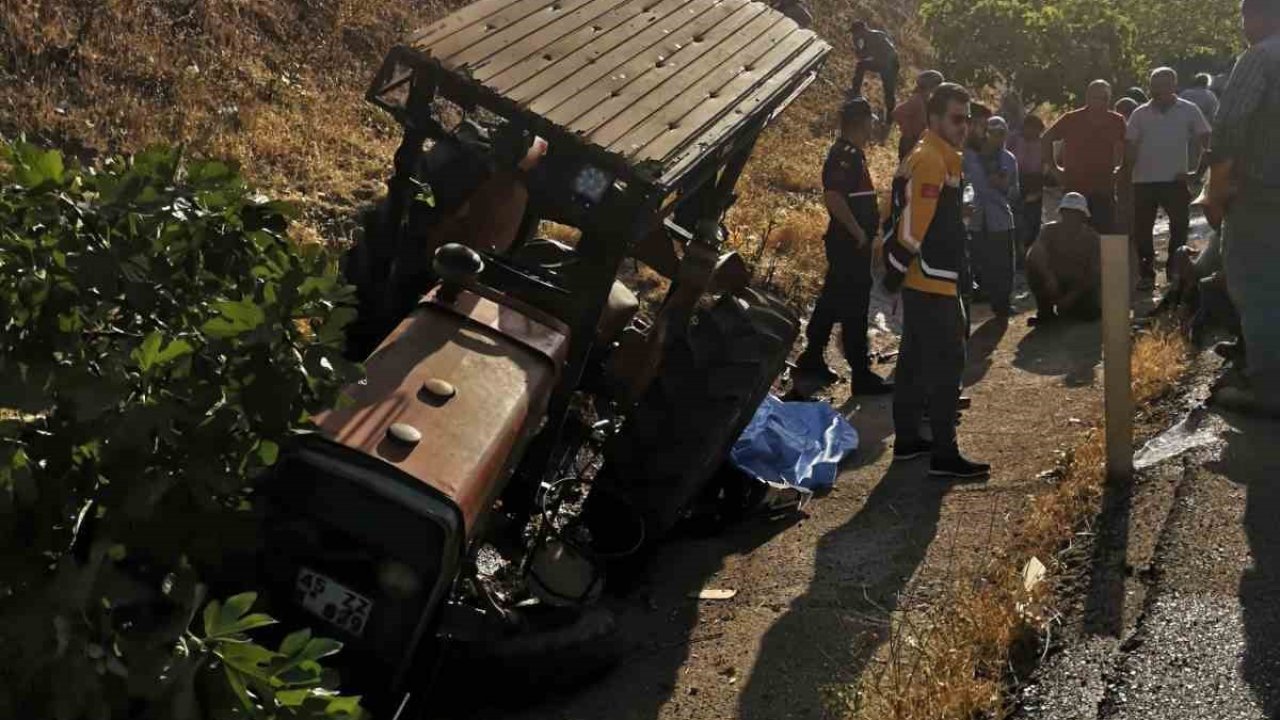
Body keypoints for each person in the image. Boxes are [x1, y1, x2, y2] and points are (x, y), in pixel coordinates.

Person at [882, 82, 990, 479]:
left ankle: (909, 440)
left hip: (928, 275)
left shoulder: (931, 154)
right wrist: (895, 272)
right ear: (934, 118)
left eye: (967, 119)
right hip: (932, 277)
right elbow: (912, 226)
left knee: (912, 362)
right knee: (947, 364)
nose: (964, 127)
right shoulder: (931, 159)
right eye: (956, 119)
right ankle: (944, 453)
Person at [1203, 0, 1280, 416]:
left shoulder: (1260, 58)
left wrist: (1215, 195)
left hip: (1264, 194)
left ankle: (1267, 385)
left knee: (1258, 285)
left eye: (1244, 17)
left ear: (1259, 16)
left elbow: (1229, 129)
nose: (1243, 26)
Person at [796, 97, 894, 395]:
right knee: (854, 306)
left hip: (851, 243)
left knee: (832, 299)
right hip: (849, 244)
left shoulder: (854, 155)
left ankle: (812, 356)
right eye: (871, 120)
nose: (874, 124)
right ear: (860, 122)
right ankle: (861, 373)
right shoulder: (845, 156)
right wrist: (859, 233)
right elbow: (834, 197)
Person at [1126, 67, 1212, 289]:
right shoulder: (1139, 114)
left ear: (1174, 85)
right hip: (1143, 181)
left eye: (1163, 85)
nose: (1158, 90)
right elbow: (1130, 148)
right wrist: (1124, 174)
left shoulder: (1189, 110)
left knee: (1180, 228)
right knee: (1142, 230)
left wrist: (1197, 174)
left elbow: (1208, 142)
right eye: (1154, 85)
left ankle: (1174, 273)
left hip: (1175, 180)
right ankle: (1146, 274)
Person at [1041, 80, 1126, 233]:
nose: (1099, 102)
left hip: (1104, 188)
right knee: (1072, 233)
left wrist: (1122, 169)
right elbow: (1046, 139)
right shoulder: (1071, 119)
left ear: (1109, 99)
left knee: (1106, 234)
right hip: (1075, 188)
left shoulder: (1117, 121)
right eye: (1095, 97)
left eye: (1103, 98)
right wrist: (1054, 169)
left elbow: (1129, 146)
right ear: (1087, 97)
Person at [963, 116, 1020, 316]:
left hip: (1000, 218)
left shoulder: (1009, 159)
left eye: (1002, 133)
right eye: (994, 133)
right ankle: (966, 304)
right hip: (973, 219)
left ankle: (1002, 305)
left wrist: (1004, 186)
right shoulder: (968, 157)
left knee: (1003, 264)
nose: (998, 138)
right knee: (970, 262)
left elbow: (1015, 193)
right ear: (986, 133)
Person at [1026, 193, 1101, 326]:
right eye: (1067, 213)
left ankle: (1070, 307)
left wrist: (1072, 296)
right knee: (1032, 267)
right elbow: (1033, 255)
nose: (1071, 218)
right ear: (1061, 213)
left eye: (1075, 214)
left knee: (1090, 313)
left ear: (1083, 216)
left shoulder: (1092, 238)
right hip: (1054, 282)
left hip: (1078, 287)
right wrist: (1049, 277)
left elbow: (1094, 273)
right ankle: (1045, 310)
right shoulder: (1048, 231)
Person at [850, 21, 899, 132]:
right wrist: (857, 45)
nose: (854, 35)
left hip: (890, 65)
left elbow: (889, 52)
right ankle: (855, 91)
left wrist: (858, 47)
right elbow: (862, 56)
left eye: (855, 33)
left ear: (861, 30)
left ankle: (889, 120)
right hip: (882, 63)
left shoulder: (875, 36)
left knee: (889, 93)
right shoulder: (870, 37)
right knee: (861, 65)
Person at [1007, 114, 1046, 255]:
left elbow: (1044, 166)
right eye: (1031, 128)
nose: (1033, 132)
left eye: (1037, 130)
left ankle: (1029, 251)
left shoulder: (1042, 144)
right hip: (1015, 180)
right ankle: (1015, 249)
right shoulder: (1014, 139)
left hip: (1034, 182)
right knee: (1016, 217)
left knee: (1033, 218)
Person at [892, 70, 945, 160]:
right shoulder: (917, 100)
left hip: (919, 142)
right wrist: (908, 133)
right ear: (930, 86)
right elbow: (898, 113)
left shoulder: (926, 101)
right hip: (910, 143)